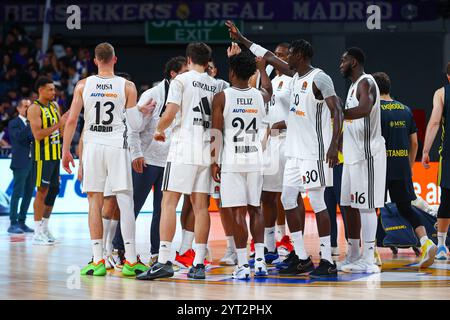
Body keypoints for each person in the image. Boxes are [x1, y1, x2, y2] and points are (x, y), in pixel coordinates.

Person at [227, 21, 343, 278]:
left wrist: (335, 145)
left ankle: (327, 260)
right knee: (288, 199)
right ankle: (301, 257)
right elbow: (267, 56)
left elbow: (338, 110)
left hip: (315, 152)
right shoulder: (294, 77)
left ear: (299, 56)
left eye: (289, 54)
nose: (285, 58)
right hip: (294, 152)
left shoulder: (319, 77)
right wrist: (243, 39)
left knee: (317, 202)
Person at [62, 42, 154, 277]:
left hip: (92, 145)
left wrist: (66, 150)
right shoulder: (128, 86)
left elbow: (72, 121)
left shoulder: (84, 85)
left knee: (94, 201)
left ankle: (97, 259)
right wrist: (141, 112)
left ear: (95, 61)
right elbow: (133, 125)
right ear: (115, 59)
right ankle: (131, 261)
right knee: (124, 201)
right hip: (117, 145)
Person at [137, 42, 219, 281]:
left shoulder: (180, 81)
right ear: (207, 61)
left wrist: (159, 130)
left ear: (189, 59)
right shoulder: (215, 85)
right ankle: (199, 263)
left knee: (168, 203)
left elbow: (170, 112)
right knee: (201, 207)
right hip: (206, 148)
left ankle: (163, 260)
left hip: (184, 147)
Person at [112, 57, 188, 266]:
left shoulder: (186, 94)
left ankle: (157, 254)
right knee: (133, 206)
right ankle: (119, 249)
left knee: (163, 211)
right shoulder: (152, 94)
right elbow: (133, 125)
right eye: (184, 72)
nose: (187, 76)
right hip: (146, 160)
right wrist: (136, 153)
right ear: (173, 74)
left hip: (171, 160)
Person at [211, 46, 272, 279]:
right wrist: (262, 68)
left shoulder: (222, 97)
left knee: (237, 211)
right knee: (256, 209)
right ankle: (260, 262)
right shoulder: (260, 96)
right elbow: (268, 88)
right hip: (255, 158)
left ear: (233, 73)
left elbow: (216, 132)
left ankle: (243, 264)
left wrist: (214, 162)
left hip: (232, 160)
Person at [373, 71, 437, 267]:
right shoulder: (405, 109)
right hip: (401, 167)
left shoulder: (374, 111)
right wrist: (408, 166)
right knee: (406, 208)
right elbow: (415, 143)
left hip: (380, 167)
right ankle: (426, 242)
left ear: (374, 89)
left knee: (370, 209)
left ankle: (371, 252)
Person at [338, 48, 386, 273]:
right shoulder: (352, 86)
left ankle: (369, 258)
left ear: (353, 62)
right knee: (348, 205)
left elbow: (365, 109)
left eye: (343, 60)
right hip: (351, 155)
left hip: (368, 154)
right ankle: (354, 253)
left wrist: (339, 112)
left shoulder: (367, 82)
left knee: (366, 207)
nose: (341, 64)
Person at [27, 76, 67, 245]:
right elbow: (38, 135)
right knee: (42, 191)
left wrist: (65, 128)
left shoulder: (54, 105)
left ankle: (44, 227)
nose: (53, 92)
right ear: (41, 90)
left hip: (55, 155)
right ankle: (37, 232)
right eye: (50, 89)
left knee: (54, 190)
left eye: (54, 89)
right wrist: (59, 124)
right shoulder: (34, 109)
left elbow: (61, 129)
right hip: (42, 156)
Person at [422, 62, 450, 261]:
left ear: (448, 76)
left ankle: (441, 246)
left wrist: (425, 151)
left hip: (448, 155)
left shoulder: (441, 93)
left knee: (447, 201)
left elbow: (433, 123)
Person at [7, 98, 34, 234]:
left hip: (32, 162)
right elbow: (18, 138)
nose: (27, 109)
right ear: (18, 108)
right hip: (20, 163)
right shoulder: (14, 123)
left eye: (29, 107)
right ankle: (13, 222)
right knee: (17, 193)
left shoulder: (32, 123)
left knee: (29, 193)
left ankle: (22, 221)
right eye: (25, 106)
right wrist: (30, 125)